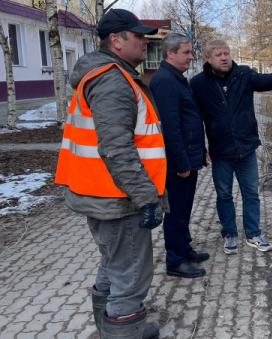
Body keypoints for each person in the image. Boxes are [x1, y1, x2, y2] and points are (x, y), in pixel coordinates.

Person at [55, 9, 165, 338]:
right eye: (138, 36)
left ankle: (109, 328)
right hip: (119, 200)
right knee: (130, 276)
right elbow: (117, 148)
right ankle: (123, 330)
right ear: (116, 41)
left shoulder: (108, 75)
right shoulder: (112, 81)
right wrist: (147, 199)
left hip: (104, 195)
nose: (145, 42)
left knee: (113, 265)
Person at [190, 40, 272, 254]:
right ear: (208, 59)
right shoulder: (198, 84)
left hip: (246, 148)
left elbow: (264, 81)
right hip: (220, 152)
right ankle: (230, 233)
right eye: (218, 54)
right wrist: (200, 149)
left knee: (251, 193)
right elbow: (195, 119)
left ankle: (253, 233)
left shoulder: (244, 74)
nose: (224, 57)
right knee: (224, 195)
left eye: (226, 53)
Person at [150, 33, 209, 278]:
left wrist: (200, 151)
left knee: (185, 208)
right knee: (176, 210)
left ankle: (184, 248)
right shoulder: (165, 81)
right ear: (170, 54)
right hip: (178, 162)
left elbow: (189, 120)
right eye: (186, 52)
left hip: (189, 156)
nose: (190, 56)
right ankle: (175, 260)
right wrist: (182, 162)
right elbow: (171, 127)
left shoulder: (176, 78)